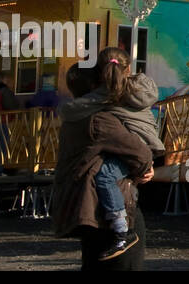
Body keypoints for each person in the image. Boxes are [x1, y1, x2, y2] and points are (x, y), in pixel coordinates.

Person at [53, 57, 154, 271]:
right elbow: (141, 154)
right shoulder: (100, 120)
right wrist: (146, 169)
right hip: (111, 209)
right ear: (96, 85)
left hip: (87, 209)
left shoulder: (71, 117)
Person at [82, 50, 164, 260]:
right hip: (145, 146)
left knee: (106, 175)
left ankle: (122, 230)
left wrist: (145, 164)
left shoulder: (110, 96)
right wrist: (146, 164)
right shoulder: (137, 91)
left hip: (137, 148)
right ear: (128, 68)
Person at [0, 71, 16, 174]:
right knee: (1, 147)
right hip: (2, 121)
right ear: (3, 79)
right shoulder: (4, 91)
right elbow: (10, 106)